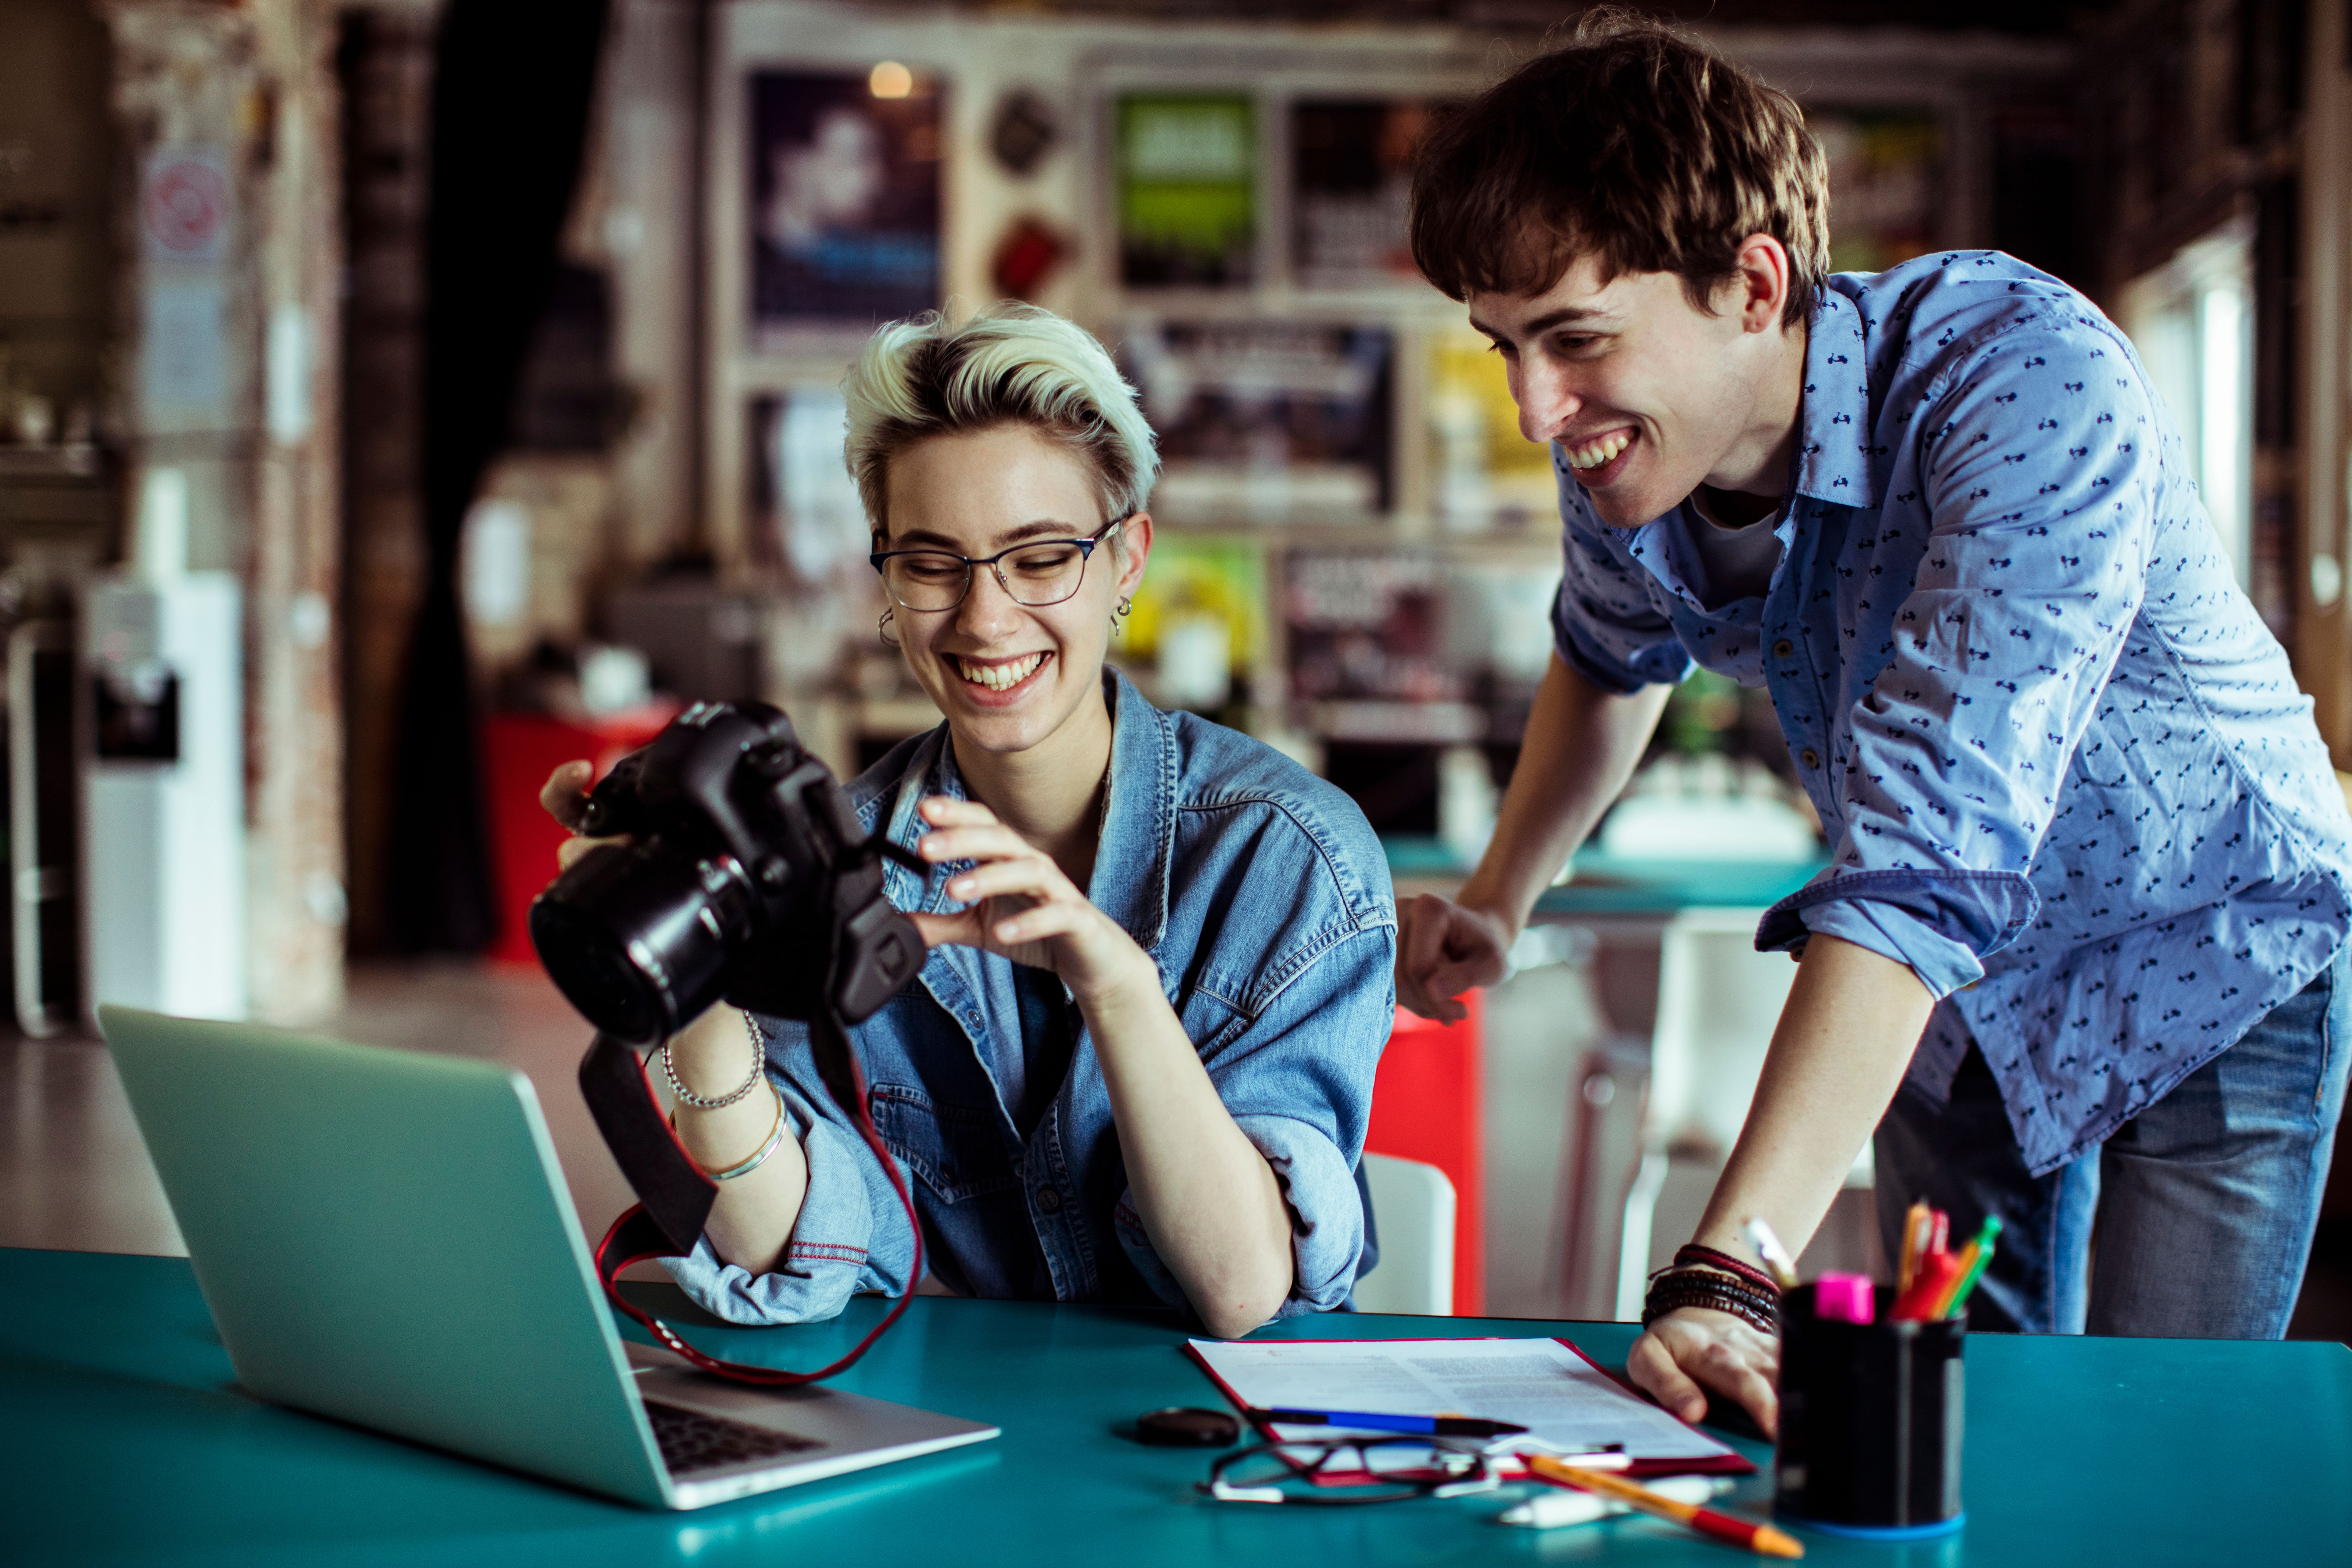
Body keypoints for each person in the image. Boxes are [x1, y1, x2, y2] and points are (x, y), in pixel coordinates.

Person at [1396, 13, 2352, 1433]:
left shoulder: (2023, 379)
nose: (1537, 409)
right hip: (1946, 1005)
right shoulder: (1632, 445)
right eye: (1507, 348)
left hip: (2204, 952)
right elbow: (1609, 657)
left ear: (1753, 283)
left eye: (1575, 339)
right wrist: (1501, 895)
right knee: (1951, 1432)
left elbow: (1923, 857)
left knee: (2157, 1446)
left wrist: (1733, 1268)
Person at [542, 303, 1395, 1339]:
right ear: (887, 576)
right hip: (962, 1419)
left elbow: (1242, 1289)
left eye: (1039, 559)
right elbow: (793, 1251)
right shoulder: (834, 863)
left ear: (1127, 561)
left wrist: (1116, 985)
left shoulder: (1288, 856)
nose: (985, 619)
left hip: (1223, 1425)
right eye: (932, 563)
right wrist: (696, 971)